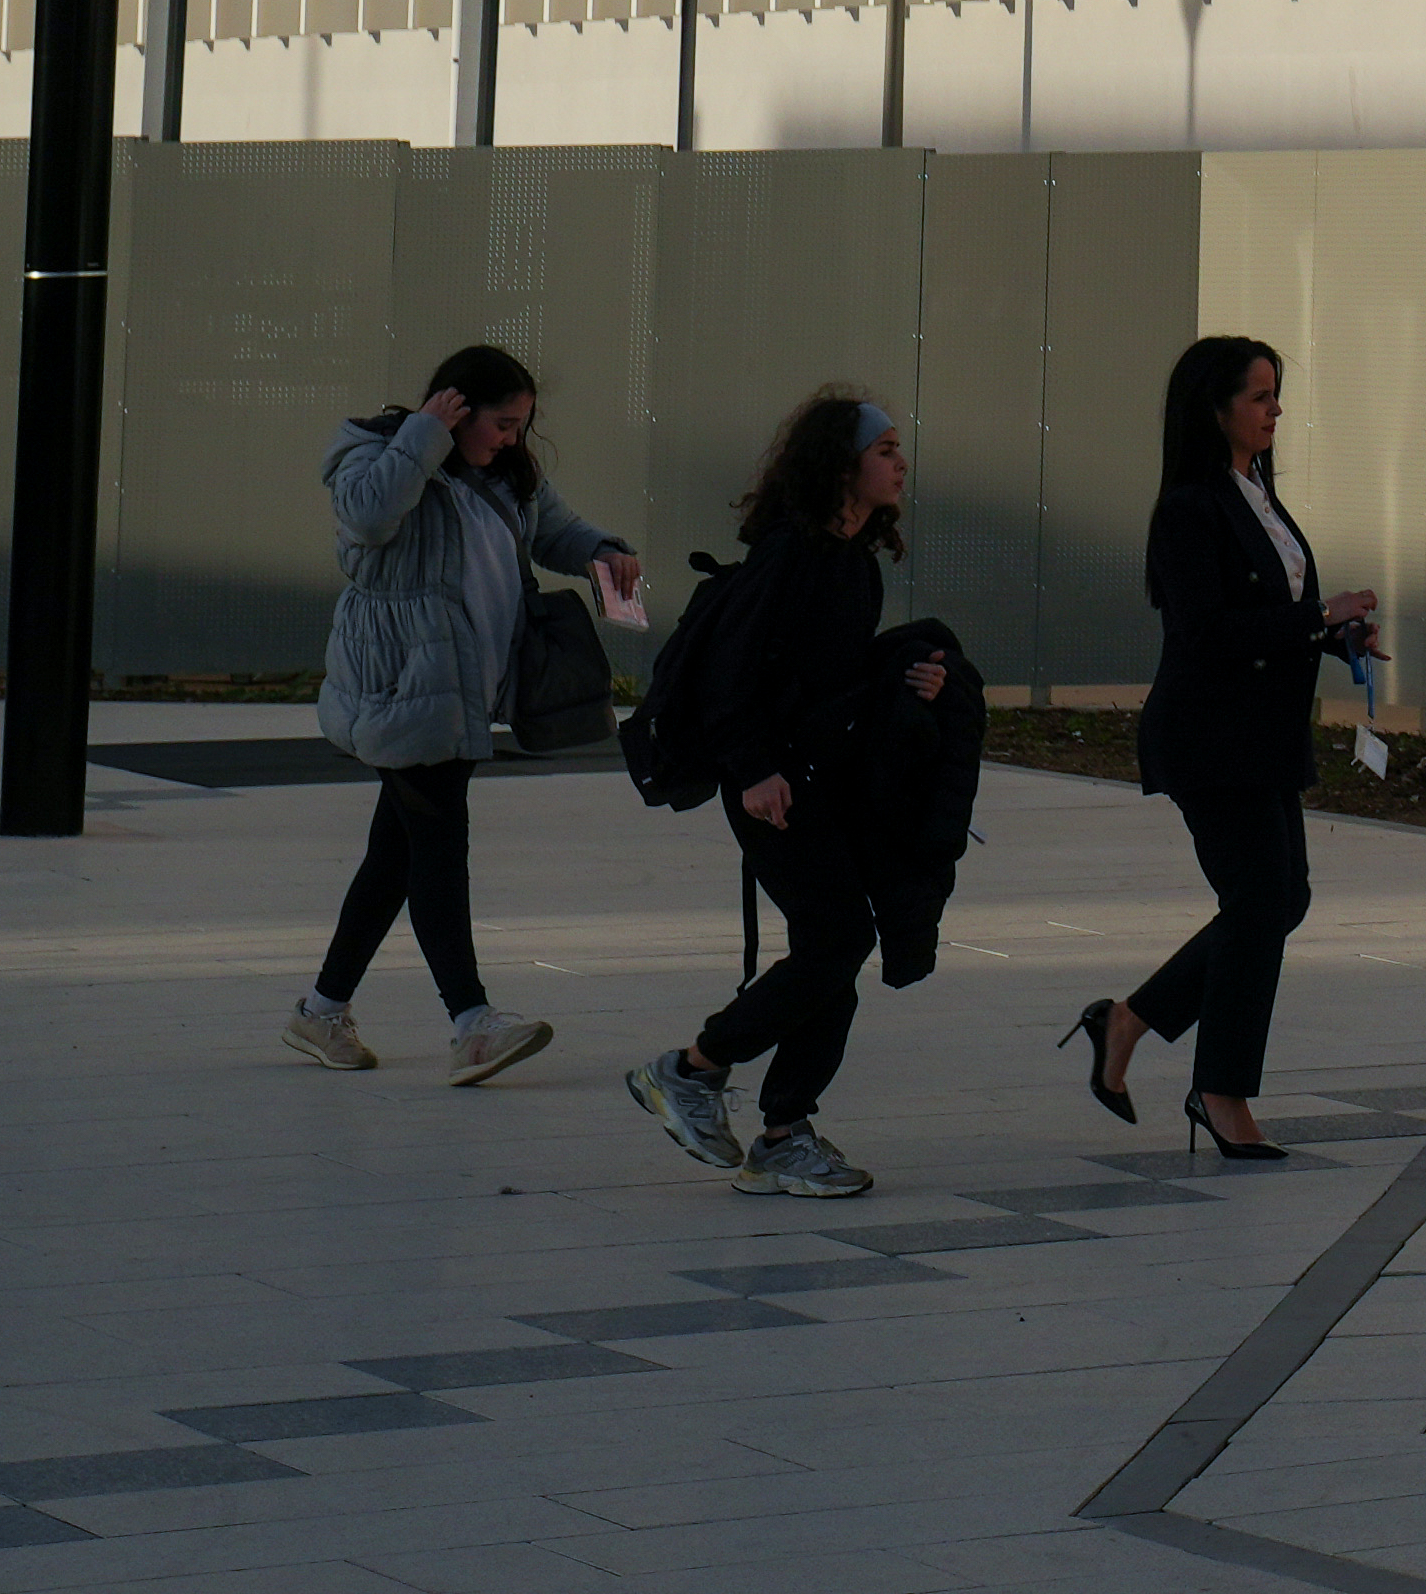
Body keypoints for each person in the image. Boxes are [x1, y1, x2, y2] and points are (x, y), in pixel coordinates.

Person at [625, 392, 949, 1198]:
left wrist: (911, 679)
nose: (899, 462)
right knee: (837, 940)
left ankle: (783, 1132)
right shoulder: (792, 553)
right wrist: (753, 768)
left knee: (830, 951)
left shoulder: (851, 562)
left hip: (815, 782)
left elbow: (827, 677)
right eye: (885, 449)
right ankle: (692, 1069)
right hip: (773, 785)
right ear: (842, 466)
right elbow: (734, 672)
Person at [291, 350, 632, 1082]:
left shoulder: (504, 475)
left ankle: (320, 1010)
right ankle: (472, 1022)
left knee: (396, 858)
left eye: (521, 426)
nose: (511, 439)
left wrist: (605, 552)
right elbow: (368, 517)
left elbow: (555, 528)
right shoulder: (378, 452)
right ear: (455, 407)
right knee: (439, 851)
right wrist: (424, 436)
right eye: (502, 423)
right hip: (402, 689)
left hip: (463, 692)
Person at [1082, 329, 1368, 1162]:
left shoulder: (1260, 499)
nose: (1276, 410)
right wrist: (1319, 615)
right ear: (1215, 411)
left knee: (1281, 903)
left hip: (1265, 736)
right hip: (1210, 737)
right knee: (1258, 904)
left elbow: (1271, 622)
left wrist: (1334, 636)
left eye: (1277, 394)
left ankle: (1128, 1021)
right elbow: (1206, 632)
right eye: (1259, 396)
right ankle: (1221, 1092)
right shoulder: (1189, 508)